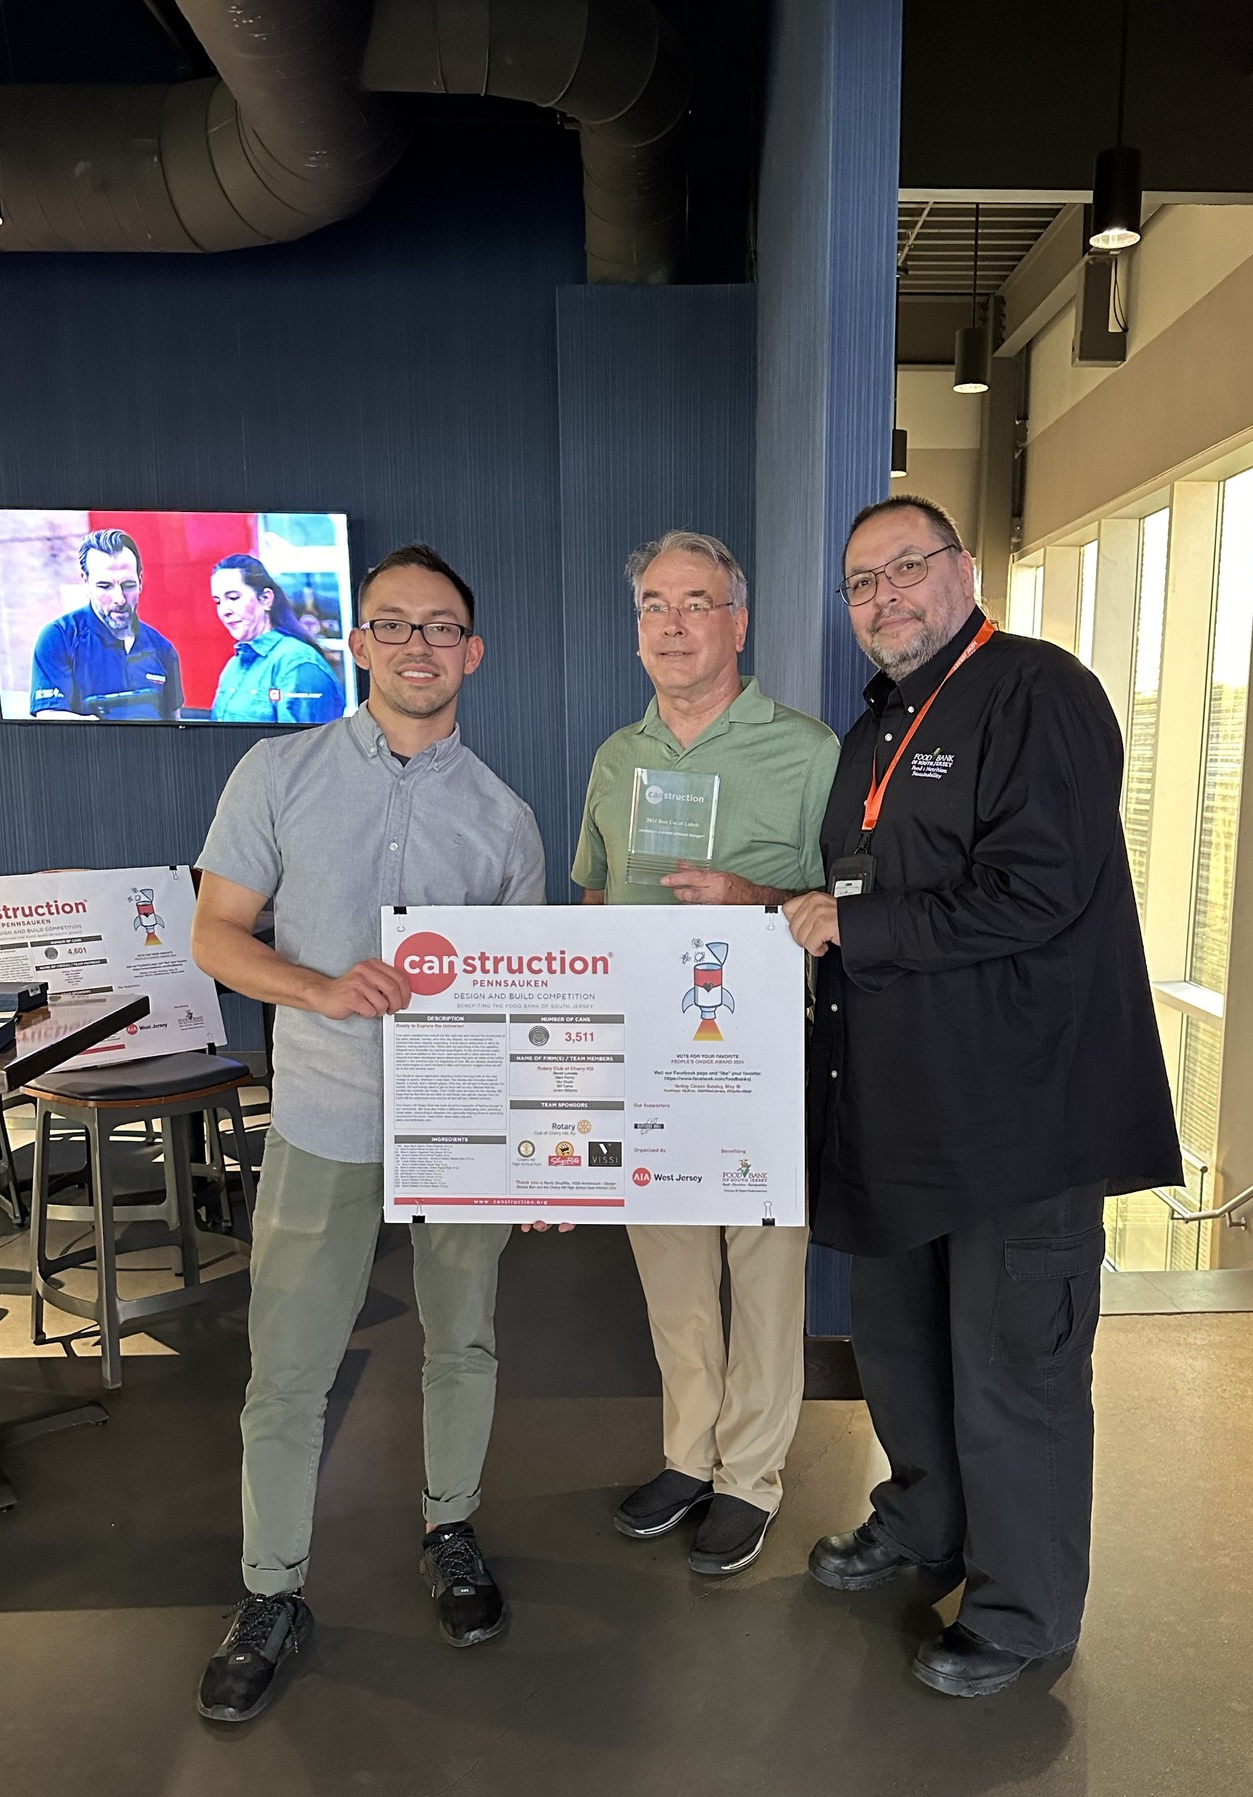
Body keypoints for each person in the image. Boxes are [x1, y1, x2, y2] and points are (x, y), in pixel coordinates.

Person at [784, 494, 1181, 1698]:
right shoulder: (877, 724)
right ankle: (925, 1525)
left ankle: (1023, 1610)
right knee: (903, 1349)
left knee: (1016, 1372)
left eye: (907, 566)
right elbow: (858, 894)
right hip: (902, 1114)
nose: (884, 596)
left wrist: (855, 926)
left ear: (962, 570)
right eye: (861, 583)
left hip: (1020, 1118)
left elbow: (1039, 890)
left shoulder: (1037, 693)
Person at [190, 541, 546, 1724]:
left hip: (462, 1128)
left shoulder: (505, 819)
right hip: (323, 1114)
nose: (416, 644)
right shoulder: (276, 772)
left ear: (472, 651)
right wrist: (319, 987)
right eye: (393, 623)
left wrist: (538, 1152)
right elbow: (216, 935)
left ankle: (451, 1528)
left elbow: (526, 1003)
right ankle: (271, 1589)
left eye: (440, 627)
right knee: (288, 1367)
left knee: (464, 1340)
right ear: (356, 643)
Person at [573, 530, 840, 1576]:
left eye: (696, 603)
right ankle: (688, 1455)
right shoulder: (616, 756)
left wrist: (751, 896)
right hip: (648, 1058)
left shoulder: (809, 751)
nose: (673, 624)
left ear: (739, 622)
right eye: (654, 604)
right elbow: (595, 896)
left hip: (761, 1059)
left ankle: (751, 1478)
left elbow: (843, 900)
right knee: (672, 1272)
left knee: (765, 1274)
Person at [29, 527, 183, 721]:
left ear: (140, 581)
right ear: (85, 581)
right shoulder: (59, 638)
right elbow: (49, 717)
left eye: (128, 585)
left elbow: (174, 723)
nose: (119, 599)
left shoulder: (163, 649)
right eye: (105, 586)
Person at [209, 553, 348, 725]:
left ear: (266, 599)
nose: (224, 611)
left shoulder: (298, 663)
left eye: (233, 598)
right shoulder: (233, 666)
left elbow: (305, 740)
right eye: (218, 602)